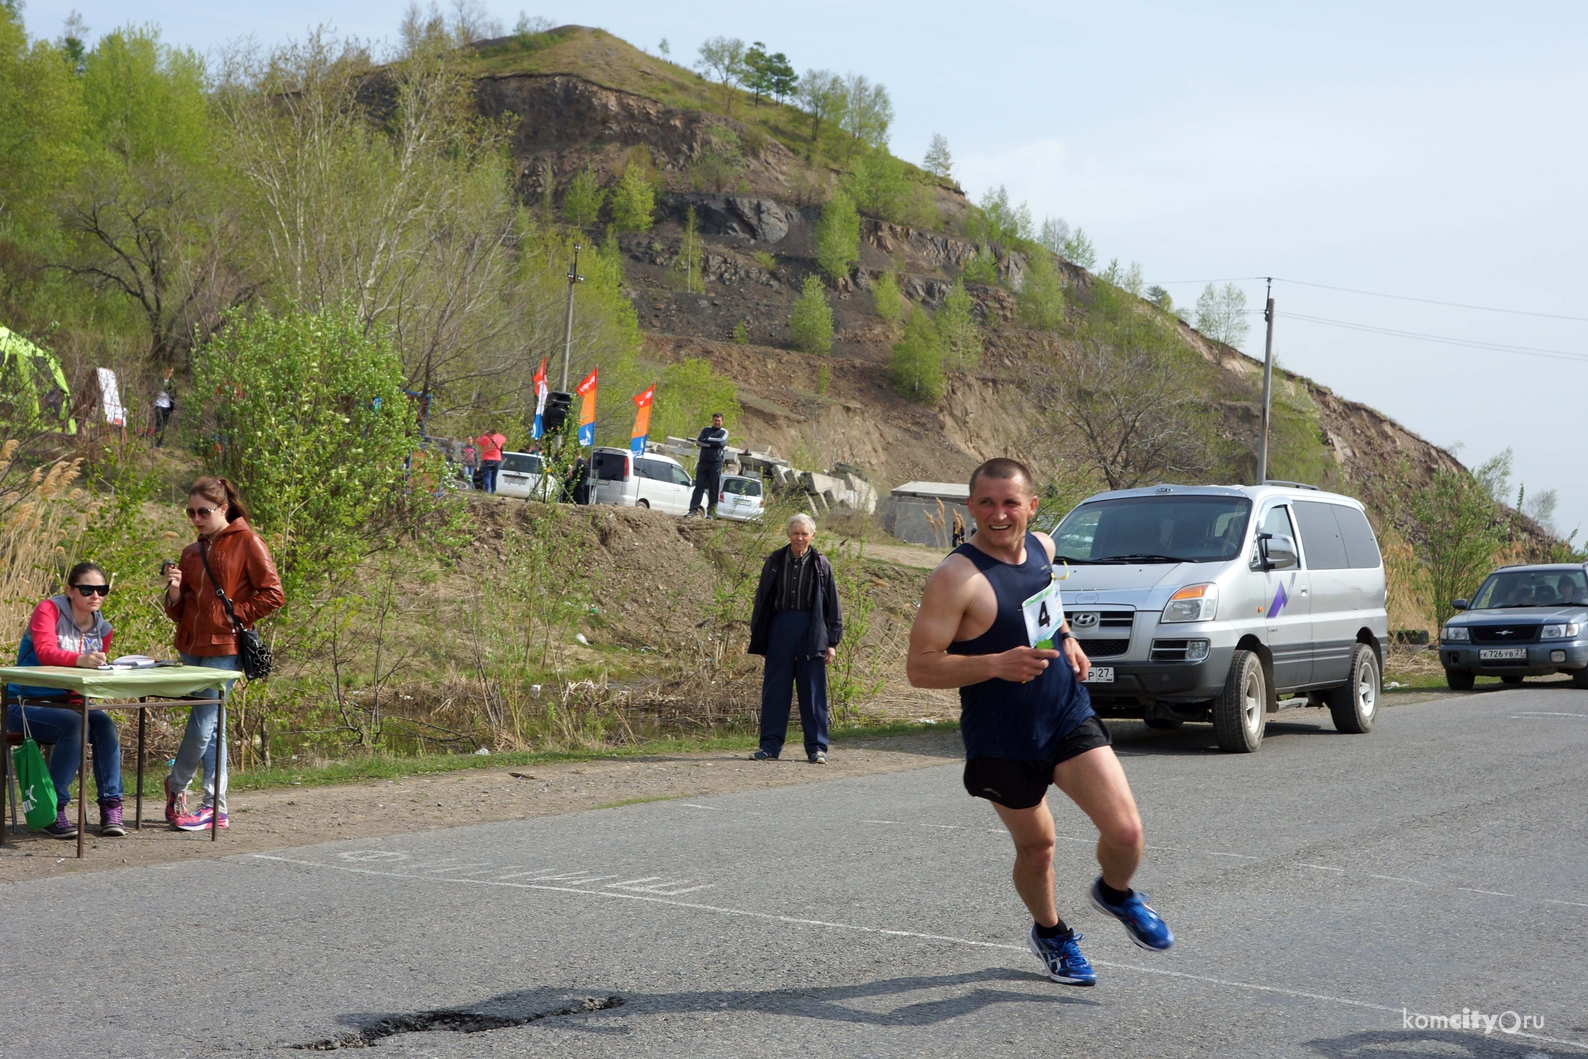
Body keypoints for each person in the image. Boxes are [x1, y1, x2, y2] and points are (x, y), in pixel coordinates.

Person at [906, 458, 1173, 987]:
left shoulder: (1044, 549)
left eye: (1010, 502)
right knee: (1039, 847)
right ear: (971, 507)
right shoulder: (956, 578)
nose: (998, 514)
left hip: (1065, 712)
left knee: (1126, 831)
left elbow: (1047, 607)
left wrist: (1068, 639)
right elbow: (919, 667)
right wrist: (993, 664)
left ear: (1031, 505)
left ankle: (1115, 893)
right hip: (1003, 736)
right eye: (986, 503)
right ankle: (1051, 933)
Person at [162, 478, 284, 831]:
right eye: (191, 512)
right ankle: (216, 806)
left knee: (203, 725)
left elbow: (273, 594)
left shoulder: (249, 542)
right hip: (190, 645)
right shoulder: (190, 551)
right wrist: (172, 590)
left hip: (226, 646)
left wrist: (238, 613)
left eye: (204, 511)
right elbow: (178, 610)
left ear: (223, 508)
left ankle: (176, 784)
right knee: (214, 729)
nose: (196, 518)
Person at [5, 562, 125, 839]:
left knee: (104, 724)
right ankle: (53, 808)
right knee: (73, 725)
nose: (95, 596)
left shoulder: (103, 629)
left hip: (67, 703)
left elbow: (86, 681)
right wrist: (80, 660)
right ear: (70, 590)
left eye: (101, 590)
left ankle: (111, 806)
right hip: (23, 703)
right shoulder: (49, 610)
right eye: (87, 589)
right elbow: (46, 652)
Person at [747, 514, 842, 763]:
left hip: (812, 630)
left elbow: (833, 605)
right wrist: (761, 638)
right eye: (795, 533)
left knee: (812, 690)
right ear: (788, 534)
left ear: (813, 535)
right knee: (775, 690)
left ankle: (817, 748)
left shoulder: (821, 564)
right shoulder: (776, 561)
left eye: (804, 534)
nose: (799, 538)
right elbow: (762, 601)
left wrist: (832, 642)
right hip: (781, 627)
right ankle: (769, 746)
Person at [688, 413, 729, 517]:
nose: (717, 422)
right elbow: (699, 441)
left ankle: (710, 513)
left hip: (715, 464)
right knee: (698, 487)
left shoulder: (724, 432)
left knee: (713, 489)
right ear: (712, 420)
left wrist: (708, 440)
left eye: (719, 420)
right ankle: (693, 510)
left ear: (722, 422)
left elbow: (721, 443)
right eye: (715, 420)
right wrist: (711, 444)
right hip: (703, 463)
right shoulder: (706, 430)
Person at [476, 428, 506, 494]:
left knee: (487, 476)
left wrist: (484, 435)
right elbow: (504, 438)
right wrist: (497, 434)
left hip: (486, 459)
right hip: (497, 460)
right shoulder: (499, 438)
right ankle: (493, 491)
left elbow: (477, 440)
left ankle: (487, 491)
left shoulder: (485, 438)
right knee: (494, 477)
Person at [153, 368, 175, 447]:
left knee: (164, 425)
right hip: (158, 404)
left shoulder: (173, 383)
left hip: (167, 406)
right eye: (167, 372)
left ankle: (159, 443)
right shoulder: (158, 381)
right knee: (160, 423)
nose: (168, 374)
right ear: (164, 371)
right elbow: (152, 390)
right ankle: (155, 441)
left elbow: (174, 394)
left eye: (170, 373)